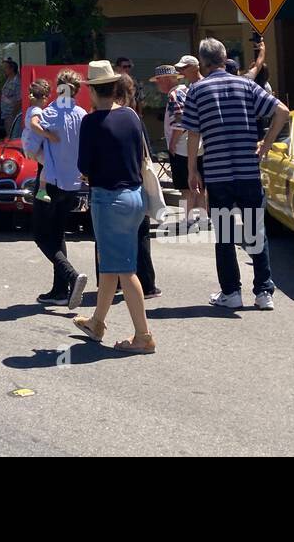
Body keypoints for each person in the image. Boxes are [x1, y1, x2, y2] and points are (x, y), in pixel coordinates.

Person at [181, 37, 290, 311]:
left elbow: (193, 134)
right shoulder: (246, 85)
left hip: (218, 174)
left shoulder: (197, 90)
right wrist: (265, 144)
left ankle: (231, 292)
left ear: (203, 62)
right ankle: (264, 292)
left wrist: (192, 170)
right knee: (256, 230)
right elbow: (282, 111)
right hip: (247, 170)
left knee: (226, 234)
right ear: (224, 56)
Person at [73, 60, 155, 353]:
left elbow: (84, 166)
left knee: (123, 269)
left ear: (94, 91)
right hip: (134, 196)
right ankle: (97, 321)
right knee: (111, 264)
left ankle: (143, 336)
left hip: (109, 199)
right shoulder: (132, 116)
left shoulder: (92, 122)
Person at [31, 70, 88, 309]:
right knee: (57, 233)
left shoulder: (51, 113)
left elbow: (31, 142)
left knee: (41, 234)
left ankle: (70, 276)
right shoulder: (82, 114)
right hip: (73, 184)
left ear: (58, 88)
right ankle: (60, 290)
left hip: (51, 181)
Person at [116, 73, 160, 299]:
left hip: (112, 186)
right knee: (141, 234)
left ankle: (114, 282)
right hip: (137, 182)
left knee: (111, 237)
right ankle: (147, 283)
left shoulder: (103, 117)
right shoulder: (135, 119)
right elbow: (146, 153)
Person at [154, 56, 204, 230]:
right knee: (199, 183)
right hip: (196, 145)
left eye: (158, 81)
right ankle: (203, 217)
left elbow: (181, 120)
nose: (157, 85)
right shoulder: (187, 90)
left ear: (167, 80)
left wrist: (173, 143)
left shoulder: (175, 94)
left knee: (185, 186)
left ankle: (189, 219)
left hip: (183, 147)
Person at [22, 79, 50, 202]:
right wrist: (48, 134)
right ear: (44, 97)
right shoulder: (37, 111)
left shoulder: (30, 109)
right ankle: (41, 190)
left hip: (29, 144)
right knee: (50, 164)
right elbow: (34, 124)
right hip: (33, 146)